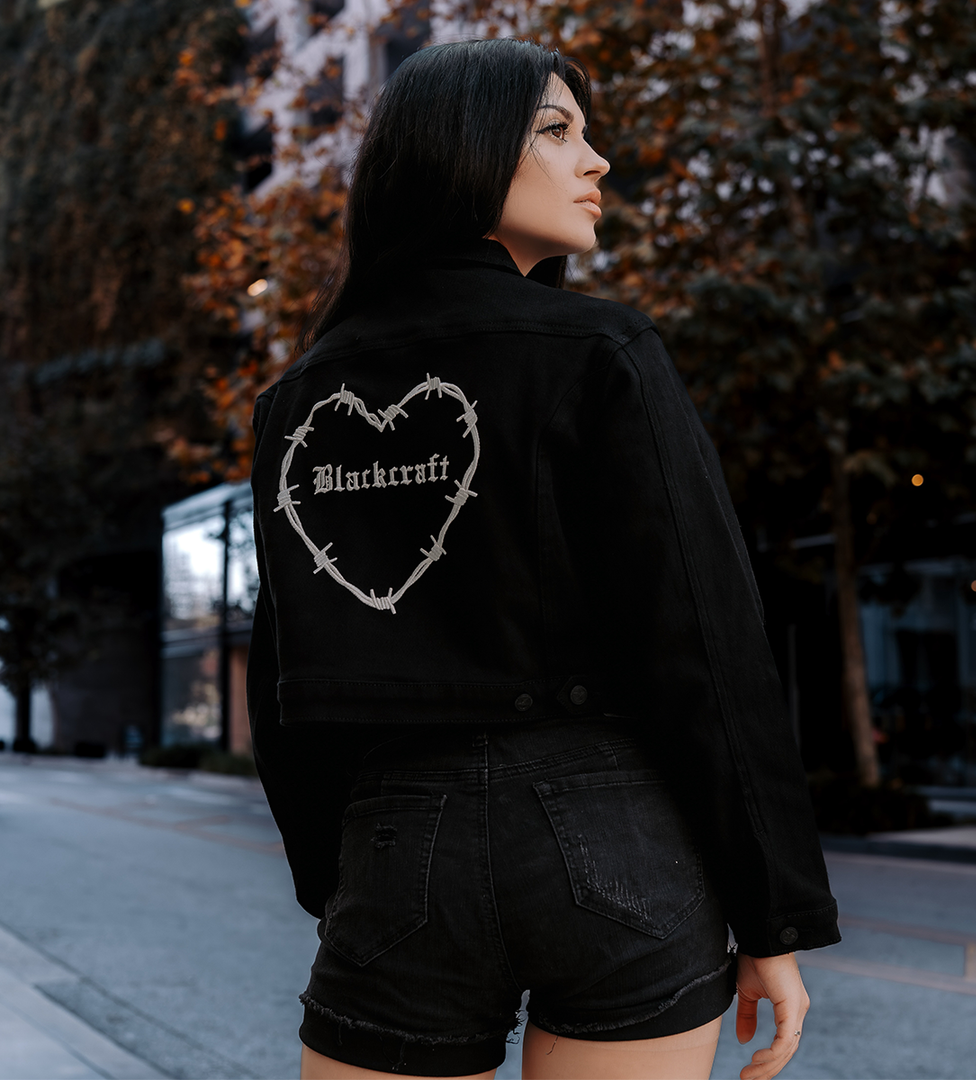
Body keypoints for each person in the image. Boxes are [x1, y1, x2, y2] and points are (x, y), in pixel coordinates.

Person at [247, 37, 840, 1080]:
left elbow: (285, 675)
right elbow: (704, 644)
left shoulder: (297, 400)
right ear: (460, 156)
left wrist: (344, 887)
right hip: (613, 834)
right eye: (558, 131)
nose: (597, 160)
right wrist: (772, 916)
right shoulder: (598, 351)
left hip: (397, 842)